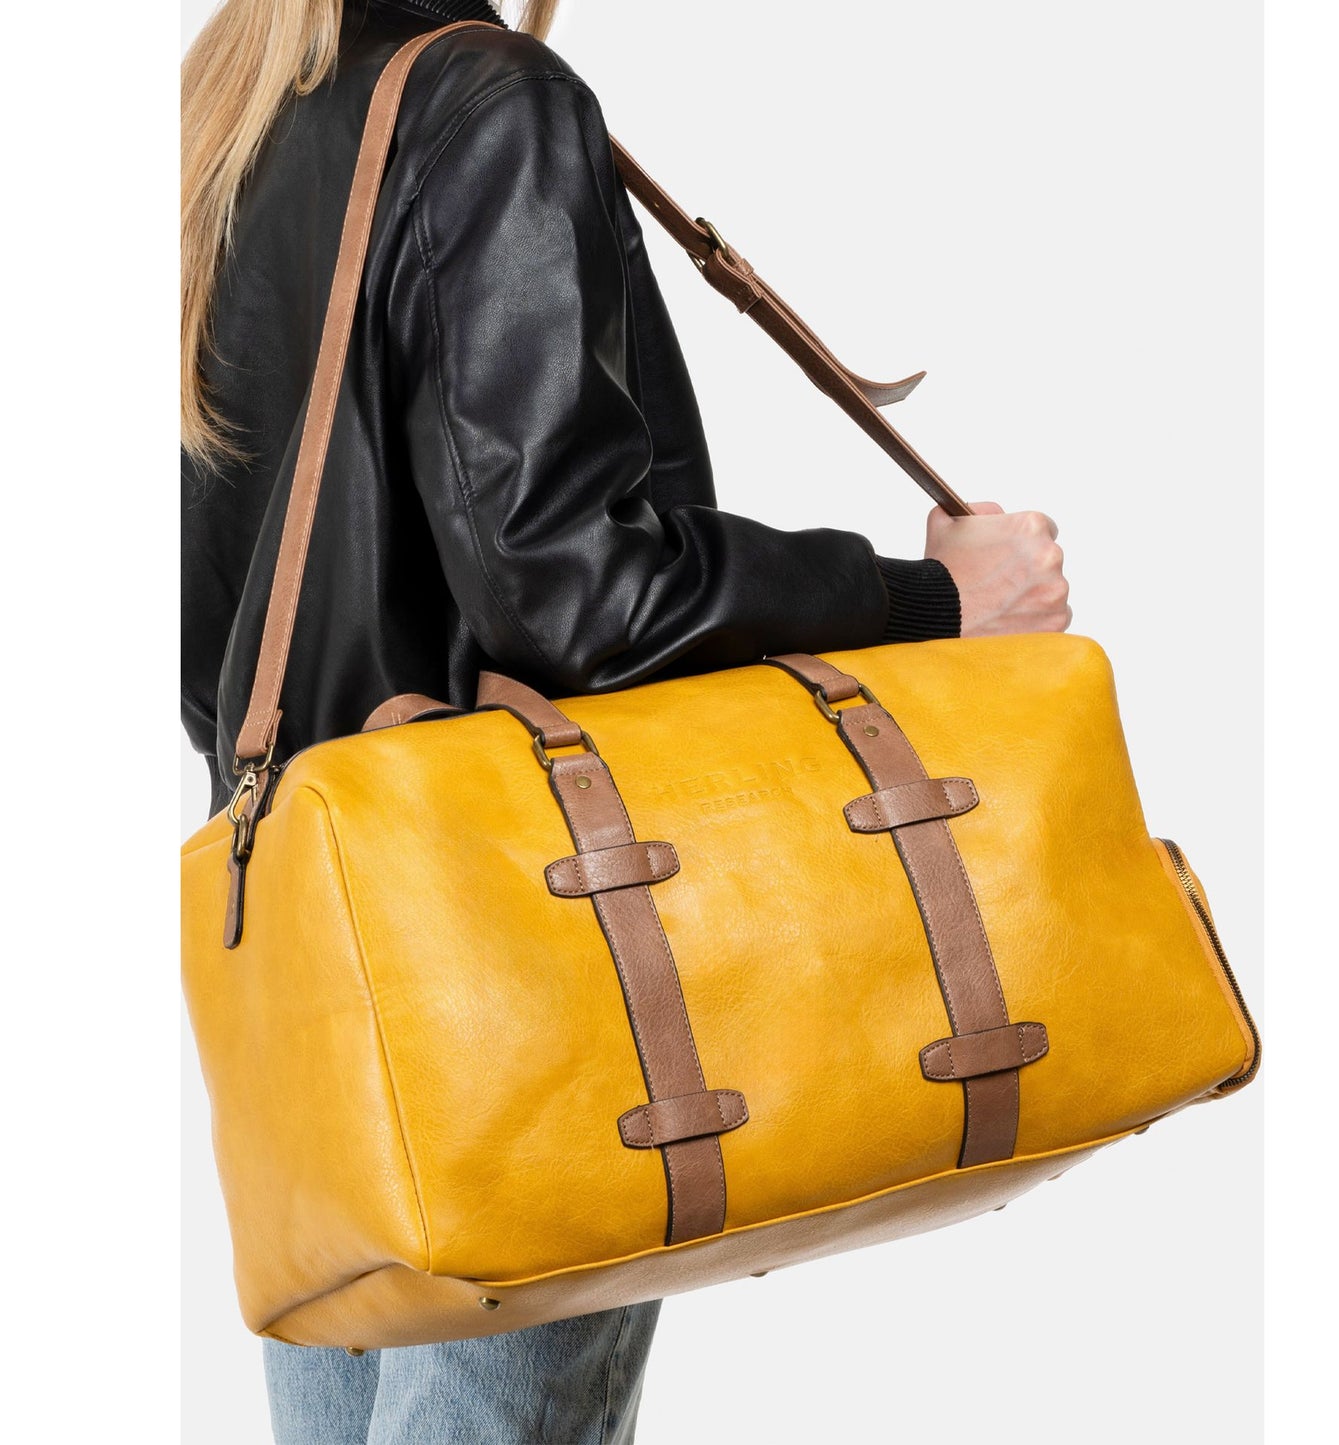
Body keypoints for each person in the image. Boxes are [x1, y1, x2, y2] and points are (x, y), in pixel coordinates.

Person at [180, 1, 1071, 1439]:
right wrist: (927, 596)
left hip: (300, 912)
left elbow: (212, 632)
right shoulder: (489, 101)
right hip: (512, 912)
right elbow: (569, 589)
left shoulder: (233, 108)